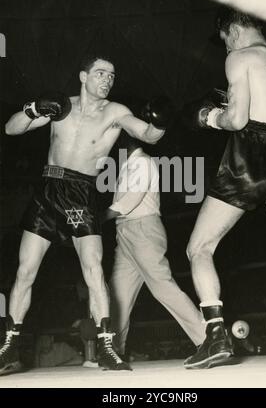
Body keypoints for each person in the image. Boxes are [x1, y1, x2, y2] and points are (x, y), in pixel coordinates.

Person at [0, 54, 168, 375]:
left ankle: (106, 346)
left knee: (93, 270)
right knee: (25, 270)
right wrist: (33, 109)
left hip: (81, 193)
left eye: (112, 76)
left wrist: (160, 121)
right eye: (101, 73)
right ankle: (9, 345)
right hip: (48, 191)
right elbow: (11, 128)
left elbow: (148, 134)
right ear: (83, 76)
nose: (107, 79)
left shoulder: (115, 112)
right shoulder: (60, 106)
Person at [184, 8, 266, 369]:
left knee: (199, 247)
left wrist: (209, 118)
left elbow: (237, 120)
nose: (225, 46)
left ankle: (215, 335)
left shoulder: (240, 57)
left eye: (224, 39)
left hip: (253, 153)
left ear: (232, 29)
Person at [103, 131, 206, 362]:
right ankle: (113, 350)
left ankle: (208, 338)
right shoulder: (127, 165)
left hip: (143, 229)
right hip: (126, 232)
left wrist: (100, 217)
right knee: (119, 292)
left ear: (125, 141)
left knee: (163, 287)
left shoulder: (143, 162)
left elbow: (131, 200)